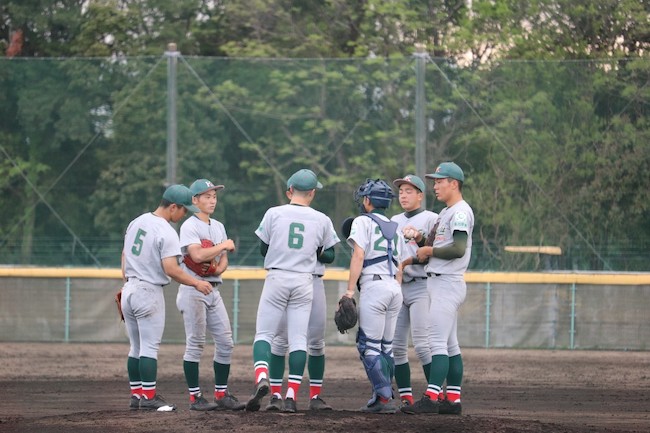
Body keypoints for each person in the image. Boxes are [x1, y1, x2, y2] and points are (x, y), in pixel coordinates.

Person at [245, 169, 339, 412]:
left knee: (266, 335)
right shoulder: (321, 219)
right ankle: (290, 396)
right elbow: (330, 253)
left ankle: (263, 377)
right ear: (312, 192)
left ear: (290, 191)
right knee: (299, 339)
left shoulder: (273, 213)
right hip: (304, 280)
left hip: (277, 276)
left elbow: (263, 249)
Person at [120, 184, 213, 411]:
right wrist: (196, 282)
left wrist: (127, 282)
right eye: (183, 210)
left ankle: (137, 395)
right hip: (148, 291)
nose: (183, 215)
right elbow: (171, 268)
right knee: (149, 348)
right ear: (173, 207)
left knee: (136, 347)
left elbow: (124, 255)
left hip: (129, 288)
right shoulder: (166, 231)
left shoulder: (137, 221)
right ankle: (149, 397)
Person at [400, 162, 474, 416]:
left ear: (454, 183)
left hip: (447, 281)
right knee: (450, 345)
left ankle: (431, 397)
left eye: (440, 181)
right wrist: (419, 240)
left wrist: (429, 250)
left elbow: (458, 249)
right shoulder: (445, 212)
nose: (435, 186)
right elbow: (430, 245)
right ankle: (452, 400)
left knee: (436, 342)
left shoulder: (461, 212)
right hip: (438, 281)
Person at [175, 178, 245, 411]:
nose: (212, 200)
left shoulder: (218, 226)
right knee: (195, 344)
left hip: (213, 288)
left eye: (214, 196)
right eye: (207, 196)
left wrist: (218, 261)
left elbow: (221, 263)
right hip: (193, 288)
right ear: (195, 200)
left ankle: (221, 394)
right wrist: (223, 246)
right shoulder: (189, 225)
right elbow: (195, 256)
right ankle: (195, 398)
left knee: (226, 342)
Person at [344, 178, 406, 414]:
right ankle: (382, 395)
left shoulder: (362, 221)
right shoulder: (396, 227)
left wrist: (350, 290)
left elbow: (358, 256)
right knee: (386, 347)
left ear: (368, 201)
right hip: (393, 287)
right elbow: (399, 266)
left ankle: (383, 397)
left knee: (368, 345)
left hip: (375, 286)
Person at [390, 175, 438, 408]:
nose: (404, 195)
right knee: (396, 346)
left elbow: (434, 253)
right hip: (399, 288)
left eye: (409, 190)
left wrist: (419, 239)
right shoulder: (393, 220)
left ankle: (434, 395)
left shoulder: (431, 218)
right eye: (401, 191)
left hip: (421, 286)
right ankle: (406, 398)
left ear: (420, 195)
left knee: (422, 344)